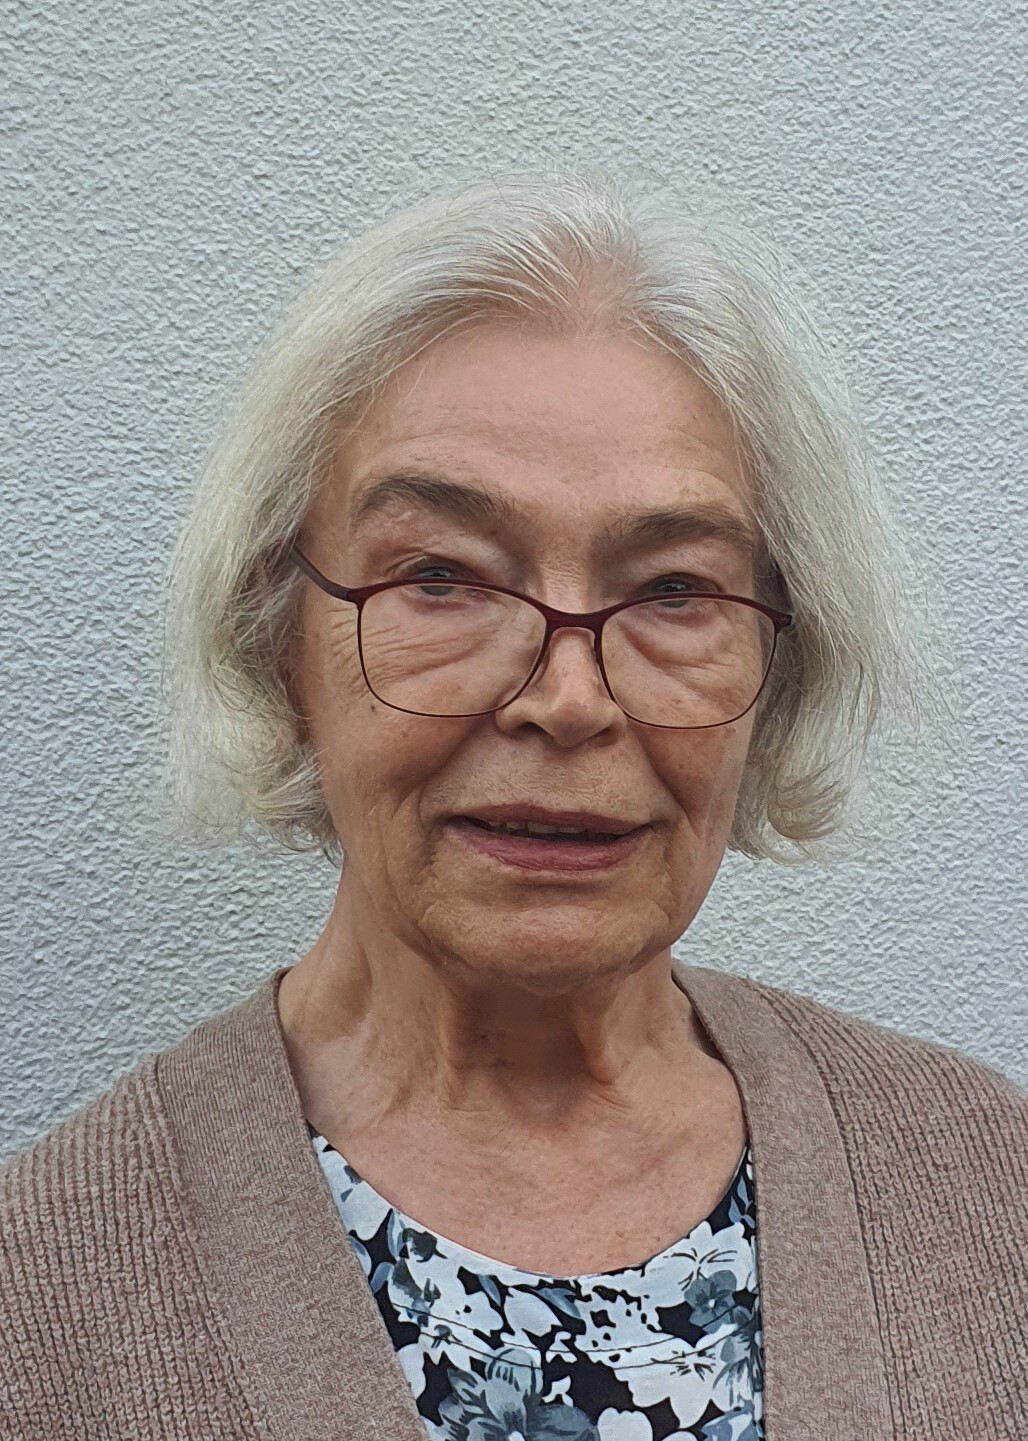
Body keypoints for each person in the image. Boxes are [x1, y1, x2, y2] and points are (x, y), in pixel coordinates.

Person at [2, 171, 1025, 1441]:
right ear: (280, 643)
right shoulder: (42, 1298)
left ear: (781, 663)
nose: (567, 698)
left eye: (672, 590)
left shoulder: (983, 1186)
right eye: (440, 576)